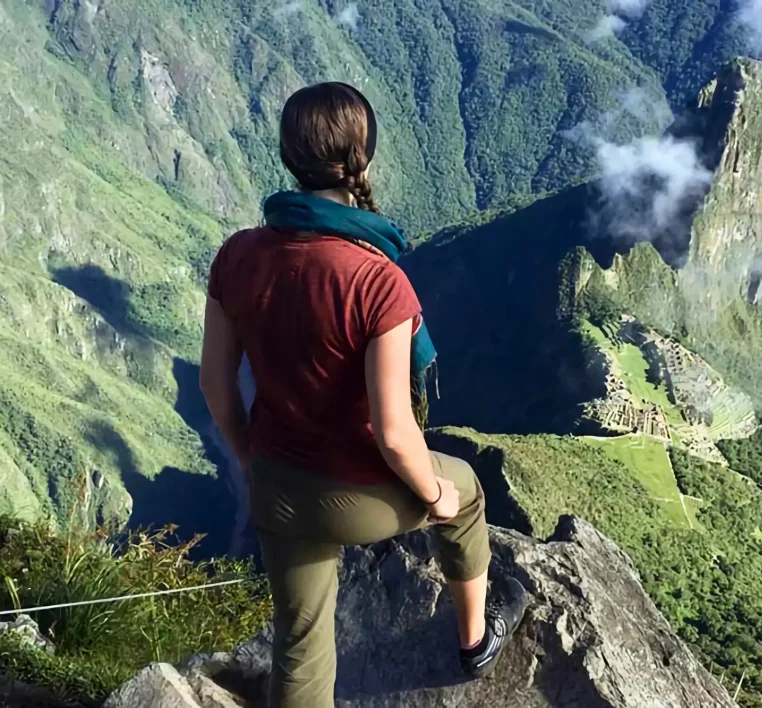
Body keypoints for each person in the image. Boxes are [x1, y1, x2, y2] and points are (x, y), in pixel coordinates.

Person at [199, 81, 528, 708]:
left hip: (279, 484)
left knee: (299, 646)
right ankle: (476, 641)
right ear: (363, 161)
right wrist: (436, 495)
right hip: (362, 497)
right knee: (467, 491)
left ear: (288, 157)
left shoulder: (237, 255)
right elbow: (395, 431)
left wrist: (251, 460)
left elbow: (215, 387)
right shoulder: (378, 282)